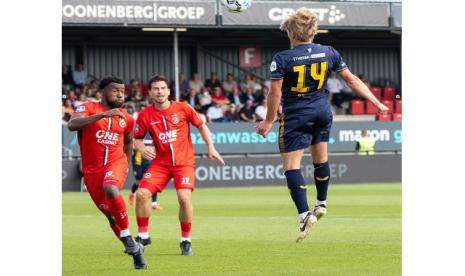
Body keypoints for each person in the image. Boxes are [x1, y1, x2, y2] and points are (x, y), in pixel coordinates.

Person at [256, 8, 388, 242]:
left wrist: (268, 120)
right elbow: (352, 80)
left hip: (297, 114)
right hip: (322, 111)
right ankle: (322, 203)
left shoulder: (282, 58)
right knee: (321, 159)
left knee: (291, 167)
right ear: (313, 32)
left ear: (291, 32)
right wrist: (376, 102)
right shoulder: (328, 52)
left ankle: (304, 214)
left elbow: (274, 92)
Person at [133, 75, 225, 256]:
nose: (160, 92)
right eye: (156, 89)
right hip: (160, 164)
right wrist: (142, 148)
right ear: (150, 92)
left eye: (163, 88)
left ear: (168, 91)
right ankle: (143, 236)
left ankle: (185, 240)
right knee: (142, 194)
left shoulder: (183, 107)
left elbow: (202, 126)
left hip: (184, 163)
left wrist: (211, 148)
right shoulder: (145, 115)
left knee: (184, 198)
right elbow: (136, 138)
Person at [67, 76, 147, 269]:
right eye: (115, 90)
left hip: (115, 164)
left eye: (122, 91)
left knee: (111, 189)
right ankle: (136, 251)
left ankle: (128, 236)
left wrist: (125, 165)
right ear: (102, 92)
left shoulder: (126, 118)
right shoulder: (87, 108)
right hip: (91, 171)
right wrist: (102, 116)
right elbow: (72, 125)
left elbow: (128, 142)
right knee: (111, 216)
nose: (120, 94)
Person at [128, 145, 162, 210]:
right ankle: (132, 194)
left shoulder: (152, 136)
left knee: (152, 181)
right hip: (138, 162)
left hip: (149, 162)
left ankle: (154, 204)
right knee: (139, 182)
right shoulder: (138, 136)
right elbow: (134, 146)